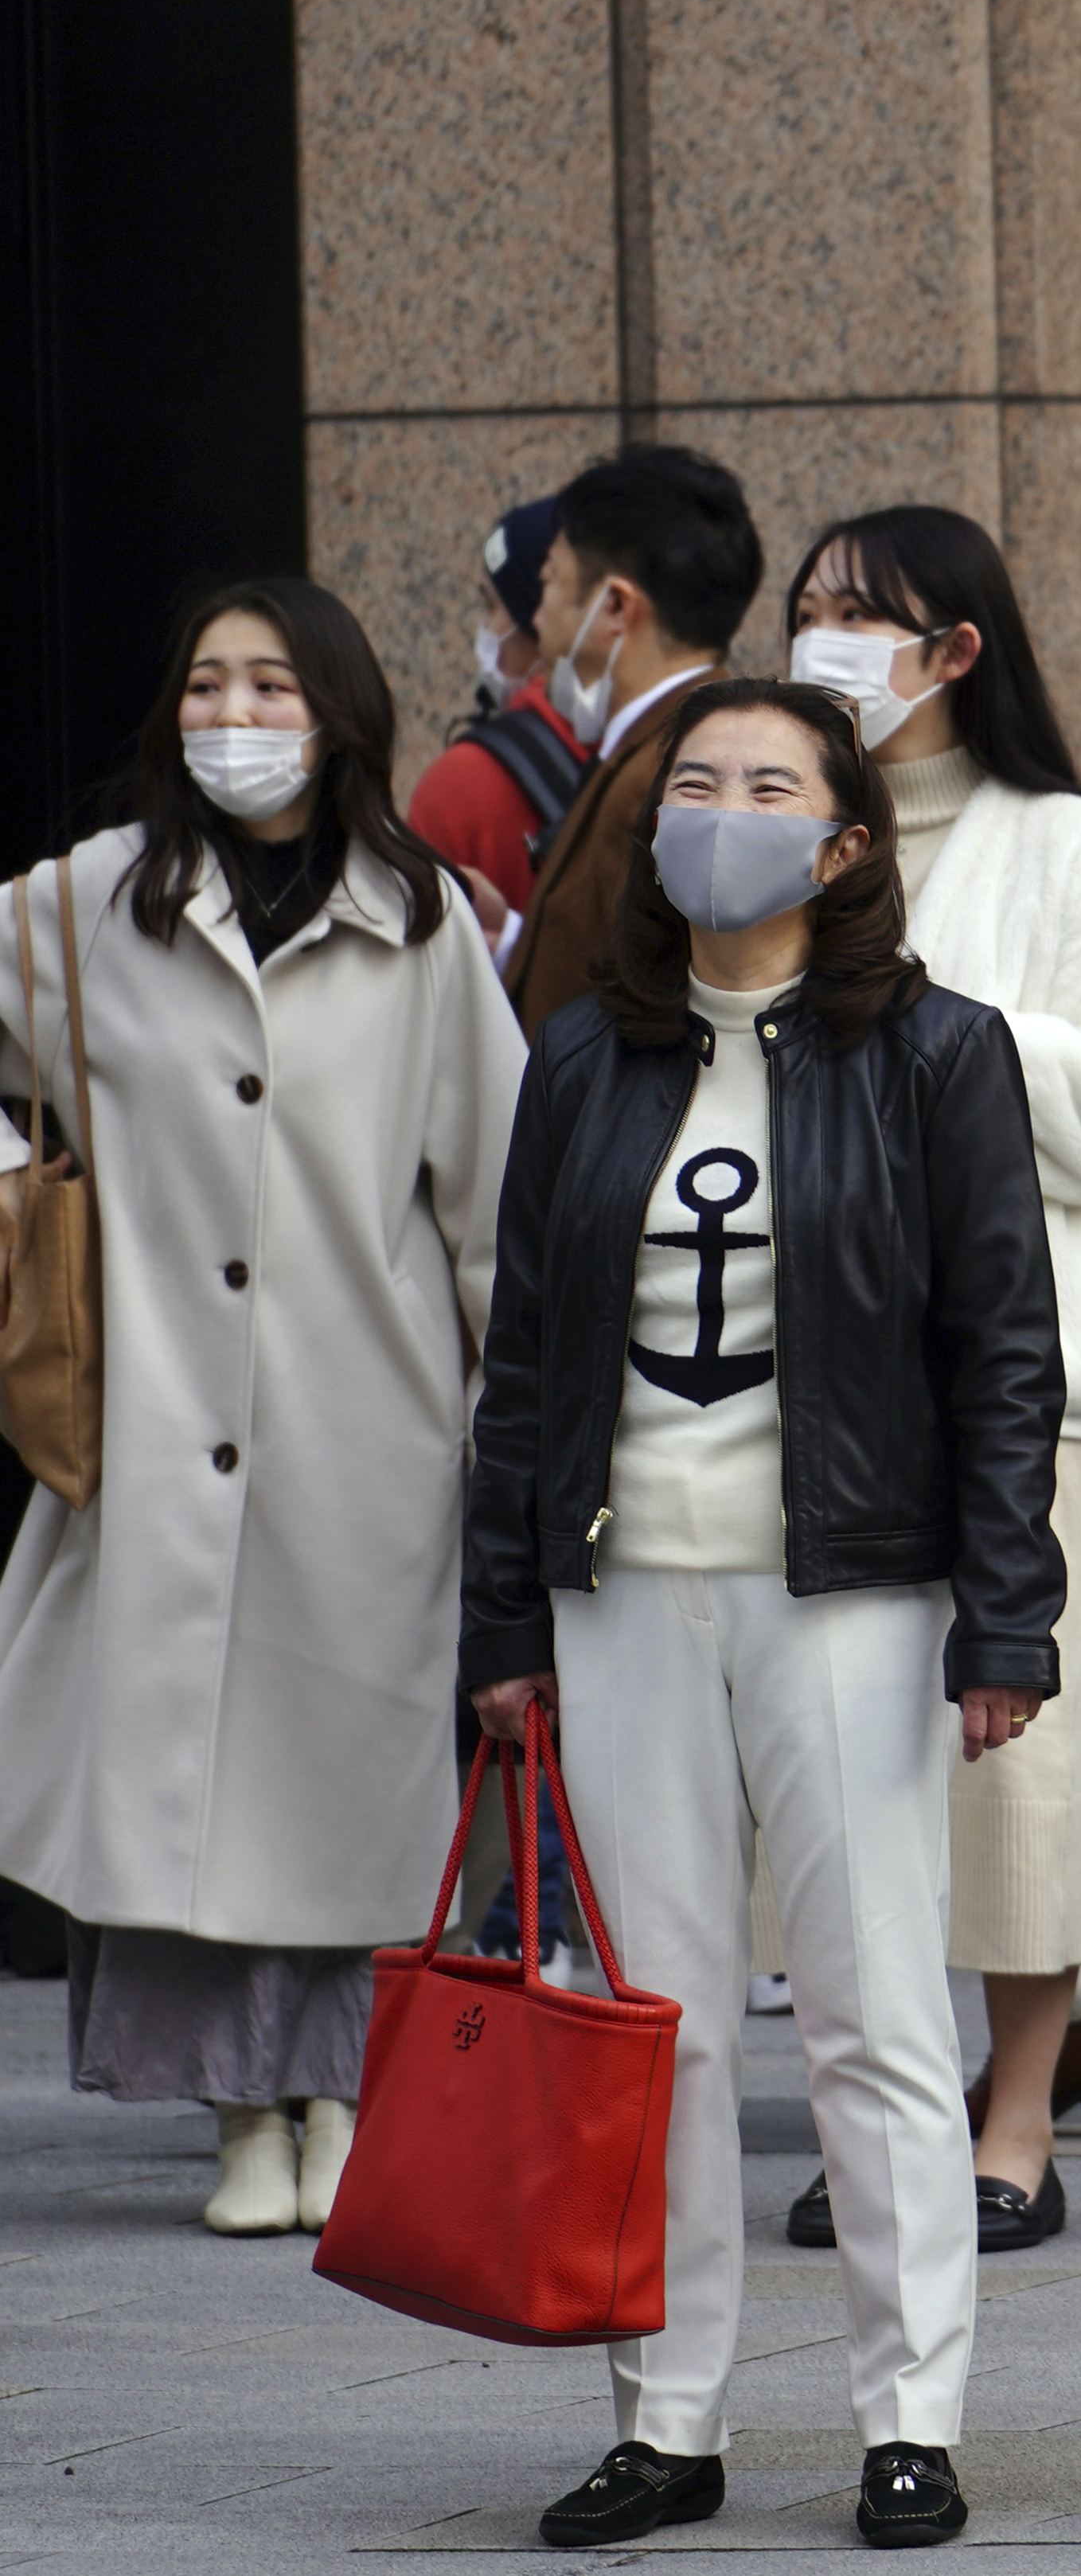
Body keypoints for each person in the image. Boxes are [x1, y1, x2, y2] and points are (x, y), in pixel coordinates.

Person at [462, 677, 1063, 2551]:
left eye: (767, 784)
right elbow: (528, 1358)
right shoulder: (580, 1056)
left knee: (876, 2015)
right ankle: (668, 2418)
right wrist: (501, 1620)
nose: (721, 808)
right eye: (692, 781)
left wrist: (1006, 1624)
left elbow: (1004, 1351)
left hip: (850, 1595)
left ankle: (910, 2419)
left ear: (844, 840)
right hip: (626, 1588)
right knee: (657, 2021)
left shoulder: (936, 1055)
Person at [0, 579, 520, 2239]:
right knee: (181, 1786)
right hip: (151, 1428)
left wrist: (516, 1436)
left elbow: (494, 1204)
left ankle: (354, 2101)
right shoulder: (79, 907)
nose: (235, 715)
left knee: (354, 1786)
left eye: (273, 685)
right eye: (208, 684)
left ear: (340, 713)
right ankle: (238, 2114)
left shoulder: (424, 923)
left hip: (364, 1433)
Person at [768, 505, 1081, 2260]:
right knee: (825, 1760)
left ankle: (1014, 2112)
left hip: (1010, 1388)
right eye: (804, 612)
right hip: (793, 1383)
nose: (823, 642)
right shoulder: (777, 825)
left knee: (1008, 1755)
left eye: (861, 616)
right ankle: (875, 2108)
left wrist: (949, 1027)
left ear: (957, 651)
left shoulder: (1063, 846)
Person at [504, 443, 763, 1028]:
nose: (537, 618)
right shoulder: (658, 747)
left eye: (548, 582)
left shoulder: (677, 772)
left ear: (616, 606)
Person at [407, 495, 586, 931]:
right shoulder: (675, 744)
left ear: (537, 615)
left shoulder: (460, 784)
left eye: (491, 606)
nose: (486, 631)